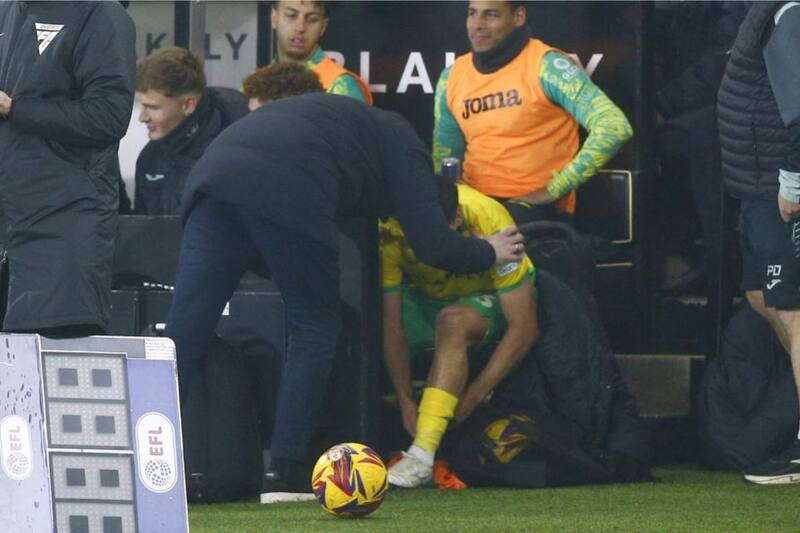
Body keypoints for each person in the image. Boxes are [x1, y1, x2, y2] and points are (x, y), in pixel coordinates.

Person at [164, 64, 525, 504]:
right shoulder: (404, 146)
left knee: (182, 339)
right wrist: (490, 250)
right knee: (315, 326)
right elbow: (435, 246)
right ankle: (286, 475)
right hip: (286, 181)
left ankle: (152, 469)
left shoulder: (350, 133)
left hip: (211, 177)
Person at [382, 178, 539, 488]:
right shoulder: (391, 227)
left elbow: (525, 327)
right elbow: (392, 323)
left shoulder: (489, 218)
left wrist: (473, 396)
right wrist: (404, 399)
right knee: (357, 325)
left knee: (452, 320)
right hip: (425, 303)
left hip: (483, 304)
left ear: (455, 219)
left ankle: (422, 455)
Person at [0, 1, 135, 335]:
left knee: (53, 365)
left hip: (64, 225)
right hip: (10, 222)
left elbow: (109, 116)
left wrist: (15, 108)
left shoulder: (101, 14)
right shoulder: (7, 10)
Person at [433, 1, 632, 224]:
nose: (477, 25)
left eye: (490, 15)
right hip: (475, 203)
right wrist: (449, 203)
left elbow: (614, 126)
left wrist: (554, 189)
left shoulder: (548, 66)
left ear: (518, 17)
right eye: (472, 14)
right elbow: (445, 155)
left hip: (532, 208)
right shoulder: (452, 76)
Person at [717, 1, 800, 484]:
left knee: (793, 311)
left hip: (781, 188)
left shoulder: (789, 11)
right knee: (760, 296)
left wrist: (792, 182)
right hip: (757, 187)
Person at [134, 46, 249, 215]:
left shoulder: (236, 149)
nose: (142, 117)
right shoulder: (149, 159)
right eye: (142, 106)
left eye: (152, 107)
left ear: (188, 105)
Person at [270, 0, 372, 103]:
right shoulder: (258, 80)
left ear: (323, 26)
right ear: (274, 18)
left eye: (312, 19)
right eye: (291, 15)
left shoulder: (341, 85)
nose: (300, 27)